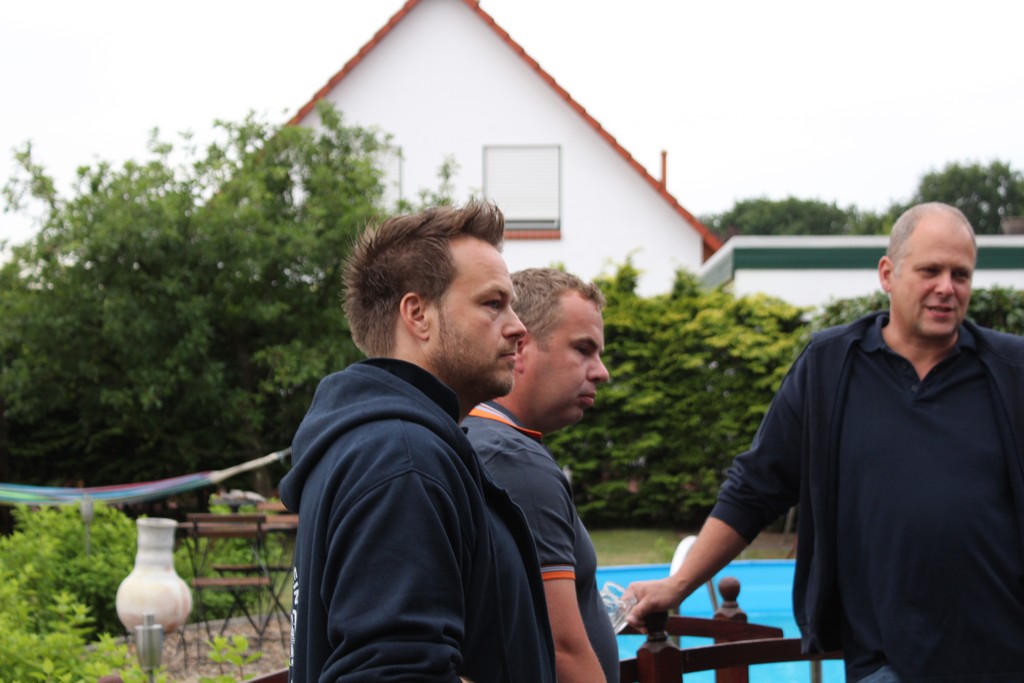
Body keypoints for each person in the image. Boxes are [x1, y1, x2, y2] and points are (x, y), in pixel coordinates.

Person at [624, 202, 1024, 682]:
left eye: (961, 274)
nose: (947, 287)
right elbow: (755, 488)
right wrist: (679, 584)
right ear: (888, 274)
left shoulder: (1012, 373)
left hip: (1002, 659)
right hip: (884, 663)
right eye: (930, 270)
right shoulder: (830, 368)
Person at [279, 202, 556, 682]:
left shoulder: (378, 444)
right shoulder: (402, 460)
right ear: (418, 314)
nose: (518, 327)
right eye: (493, 303)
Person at [464, 268, 617, 682]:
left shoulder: (472, 436)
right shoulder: (516, 461)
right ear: (520, 346)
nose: (601, 371)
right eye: (583, 349)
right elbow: (561, 649)